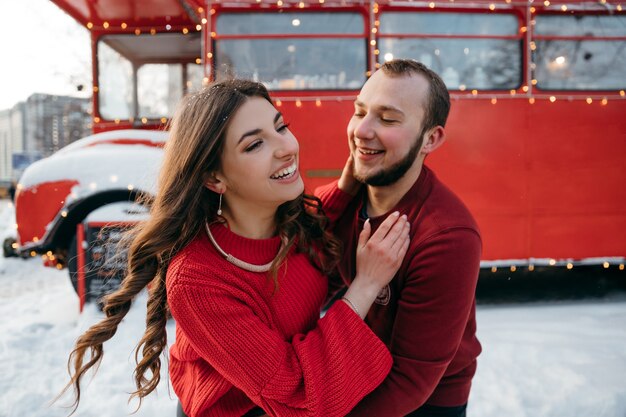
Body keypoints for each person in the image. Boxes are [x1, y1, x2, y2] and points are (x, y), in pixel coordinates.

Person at [60, 79, 411, 417]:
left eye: (281, 127)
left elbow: (321, 224)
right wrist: (366, 286)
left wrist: (351, 182)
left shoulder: (292, 222)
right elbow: (301, 394)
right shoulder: (197, 281)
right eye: (254, 145)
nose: (286, 147)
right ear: (214, 178)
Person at [315, 59, 482, 417]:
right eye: (360, 112)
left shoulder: (448, 236)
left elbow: (411, 380)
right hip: (356, 372)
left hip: (427, 399)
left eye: (388, 119)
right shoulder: (350, 199)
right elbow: (301, 270)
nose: (362, 131)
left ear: (430, 139)